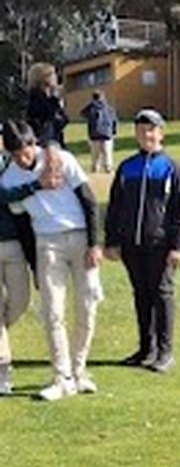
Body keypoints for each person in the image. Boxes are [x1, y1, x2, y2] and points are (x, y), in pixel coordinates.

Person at [105, 108, 180, 371]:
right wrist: (112, 240)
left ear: (161, 133)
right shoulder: (127, 167)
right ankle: (146, 348)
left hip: (160, 245)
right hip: (132, 244)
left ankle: (165, 352)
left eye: (151, 130)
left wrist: (178, 246)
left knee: (162, 295)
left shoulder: (170, 168)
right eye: (141, 130)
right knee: (141, 295)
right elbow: (115, 207)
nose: (146, 135)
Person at [28, 141, 103, 397]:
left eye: (24, 152)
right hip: (47, 242)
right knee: (53, 311)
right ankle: (62, 376)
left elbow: (89, 200)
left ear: (32, 144)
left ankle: (78, 369)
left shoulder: (62, 159)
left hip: (80, 237)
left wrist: (94, 244)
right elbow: (13, 208)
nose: (20, 159)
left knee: (87, 306)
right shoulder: (11, 174)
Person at [0, 120, 42, 398]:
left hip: (14, 245)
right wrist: (36, 186)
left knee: (20, 302)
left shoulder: (12, 165)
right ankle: (3, 372)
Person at [25, 63, 69, 150]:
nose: (56, 77)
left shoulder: (50, 98)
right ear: (44, 78)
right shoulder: (37, 100)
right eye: (53, 75)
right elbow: (53, 120)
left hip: (54, 141)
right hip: (46, 145)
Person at [81, 88, 118, 175]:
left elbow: (82, 113)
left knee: (95, 155)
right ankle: (108, 169)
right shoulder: (109, 108)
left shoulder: (91, 108)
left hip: (94, 134)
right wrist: (114, 131)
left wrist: (91, 105)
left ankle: (95, 169)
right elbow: (114, 120)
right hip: (107, 134)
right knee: (107, 154)